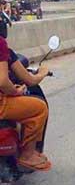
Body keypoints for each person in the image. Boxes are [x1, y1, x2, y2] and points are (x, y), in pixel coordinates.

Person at [0, 25, 50, 171]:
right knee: (39, 108)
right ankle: (28, 154)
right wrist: (16, 91)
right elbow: (3, 82)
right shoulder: (2, 45)